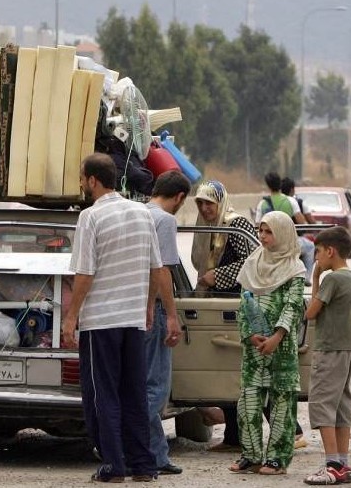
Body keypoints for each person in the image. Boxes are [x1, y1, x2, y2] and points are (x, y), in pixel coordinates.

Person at [62, 153, 161, 482]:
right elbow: (155, 268)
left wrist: (70, 317)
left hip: (100, 322)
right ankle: (143, 465)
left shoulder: (90, 217)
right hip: (132, 320)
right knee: (134, 393)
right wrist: (148, 307)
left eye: (82, 178)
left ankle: (114, 465)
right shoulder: (142, 213)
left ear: (92, 180)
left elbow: (85, 274)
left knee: (103, 394)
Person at [191, 181, 306, 451]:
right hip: (224, 308)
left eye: (210, 202)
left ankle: (291, 434)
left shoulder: (236, 223)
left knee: (266, 378)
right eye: (200, 203)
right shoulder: (207, 228)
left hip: (244, 303)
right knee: (229, 372)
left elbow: (252, 259)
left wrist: (218, 276)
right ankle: (235, 437)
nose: (205, 208)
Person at [228, 211, 305, 476]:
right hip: (254, 349)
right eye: (260, 230)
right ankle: (250, 455)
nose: (263, 236)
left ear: (283, 233)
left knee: (282, 403)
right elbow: (243, 304)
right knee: (248, 402)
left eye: (269, 231)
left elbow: (294, 306)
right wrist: (250, 334)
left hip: (281, 348)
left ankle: (277, 459)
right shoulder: (252, 263)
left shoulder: (294, 268)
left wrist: (276, 337)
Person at [302, 226, 351, 485]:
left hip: (328, 351)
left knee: (322, 404)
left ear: (330, 251)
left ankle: (332, 464)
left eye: (317, 252)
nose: (316, 258)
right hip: (346, 351)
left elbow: (311, 312)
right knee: (340, 406)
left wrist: (315, 278)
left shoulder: (332, 279)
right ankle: (343, 464)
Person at [144, 170, 189, 476]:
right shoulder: (165, 220)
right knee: (156, 387)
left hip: (130, 308)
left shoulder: (136, 213)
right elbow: (161, 271)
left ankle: (155, 453)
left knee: (136, 382)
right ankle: (146, 453)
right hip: (154, 308)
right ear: (180, 197)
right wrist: (172, 316)